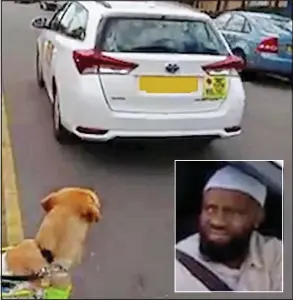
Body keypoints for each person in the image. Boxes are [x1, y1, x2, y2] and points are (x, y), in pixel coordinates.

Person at [175, 165, 282, 292]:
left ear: (258, 217)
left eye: (234, 212)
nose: (218, 222)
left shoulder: (274, 252)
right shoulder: (178, 267)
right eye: (210, 209)